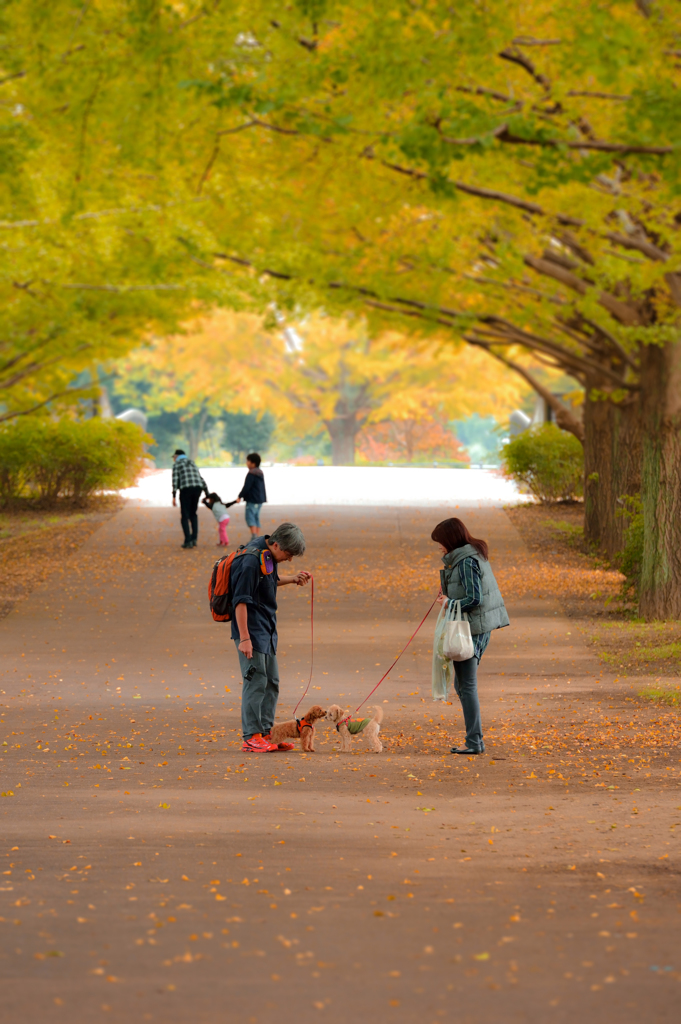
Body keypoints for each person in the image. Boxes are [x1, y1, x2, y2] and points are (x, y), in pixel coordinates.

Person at [230, 522, 310, 753]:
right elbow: (240, 600)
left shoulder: (268, 556)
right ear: (276, 544)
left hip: (266, 630)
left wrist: (293, 579)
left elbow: (270, 580)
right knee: (255, 683)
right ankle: (251, 736)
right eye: (288, 553)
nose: (289, 559)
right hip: (251, 631)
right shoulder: (250, 560)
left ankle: (267, 733)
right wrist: (244, 638)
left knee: (271, 682)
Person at [432, 517, 509, 755]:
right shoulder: (468, 556)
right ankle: (474, 740)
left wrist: (449, 602)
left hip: (471, 629)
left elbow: (475, 599)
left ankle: (474, 741)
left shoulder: (465, 561)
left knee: (466, 685)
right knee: (463, 685)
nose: (439, 548)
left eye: (441, 542)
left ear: (451, 540)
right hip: (477, 627)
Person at [171, 449, 208, 549]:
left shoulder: (177, 464)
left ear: (176, 456)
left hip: (186, 489)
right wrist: (206, 492)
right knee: (193, 514)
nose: (173, 459)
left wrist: (174, 495)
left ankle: (188, 541)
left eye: (173, 457)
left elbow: (175, 480)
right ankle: (194, 539)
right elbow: (200, 478)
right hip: (197, 489)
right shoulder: (192, 462)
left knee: (184, 515)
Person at [237, 452, 267, 537]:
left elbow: (247, 487)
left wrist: (240, 496)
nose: (247, 463)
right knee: (256, 518)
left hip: (252, 499)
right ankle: (257, 537)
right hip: (260, 500)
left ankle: (254, 537)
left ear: (253, 463)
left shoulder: (251, 473)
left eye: (248, 461)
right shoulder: (260, 473)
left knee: (250, 518)